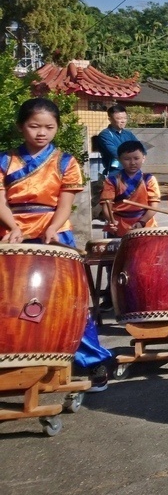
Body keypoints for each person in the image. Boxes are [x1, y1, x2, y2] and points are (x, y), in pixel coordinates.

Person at [0, 98, 115, 392]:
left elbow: (66, 204)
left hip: (54, 230)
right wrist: (13, 226)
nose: (41, 133)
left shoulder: (65, 161)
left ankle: (92, 360)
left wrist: (52, 227)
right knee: (9, 299)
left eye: (49, 127)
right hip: (10, 230)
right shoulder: (4, 160)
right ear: (20, 127)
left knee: (69, 300)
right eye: (34, 126)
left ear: (57, 128)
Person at [99, 140, 160, 238]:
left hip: (145, 225)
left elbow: (154, 206)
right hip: (119, 225)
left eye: (136, 158)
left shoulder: (149, 179)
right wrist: (111, 220)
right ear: (119, 159)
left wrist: (142, 222)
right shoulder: (112, 181)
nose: (132, 163)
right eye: (127, 159)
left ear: (143, 158)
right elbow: (106, 206)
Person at [96, 104, 139, 177]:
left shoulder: (128, 134)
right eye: (119, 118)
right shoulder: (105, 135)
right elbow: (115, 153)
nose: (123, 121)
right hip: (115, 172)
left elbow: (139, 148)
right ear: (110, 119)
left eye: (125, 118)